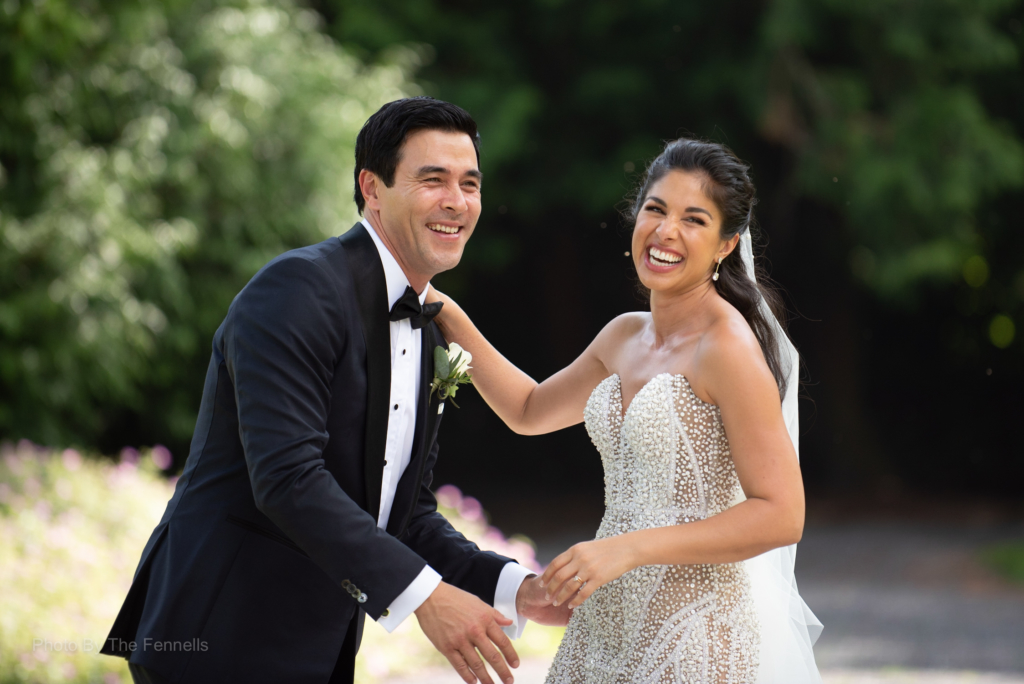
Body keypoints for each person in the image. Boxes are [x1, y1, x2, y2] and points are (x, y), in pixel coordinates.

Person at [100, 97, 569, 684]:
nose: (457, 201)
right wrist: (427, 597)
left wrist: (515, 590)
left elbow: (406, 511)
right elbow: (287, 477)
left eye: (469, 184)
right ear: (372, 188)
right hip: (216, 636)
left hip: (313, 650)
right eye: (433, 180)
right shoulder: (298, 288)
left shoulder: (427, 325)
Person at [428, 138, 823, 683]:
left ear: (726, 244)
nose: (665, 232)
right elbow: (527, 409)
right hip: (603, 626)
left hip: (693, 638)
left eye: (694, 219)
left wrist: (627, 550)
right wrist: (445, 312)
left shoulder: (726, 348)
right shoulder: (623, 336)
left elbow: (782, 513)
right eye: (656, 210)